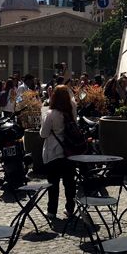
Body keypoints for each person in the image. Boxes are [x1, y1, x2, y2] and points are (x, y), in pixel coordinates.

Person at [39, 85, 77, 218]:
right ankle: (70, 209)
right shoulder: (72, 110)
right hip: (69, 151)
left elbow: (43, 134)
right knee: (69, 183)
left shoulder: (51, 114)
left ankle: (51, 211)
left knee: (53, 183)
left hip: (54, 151)